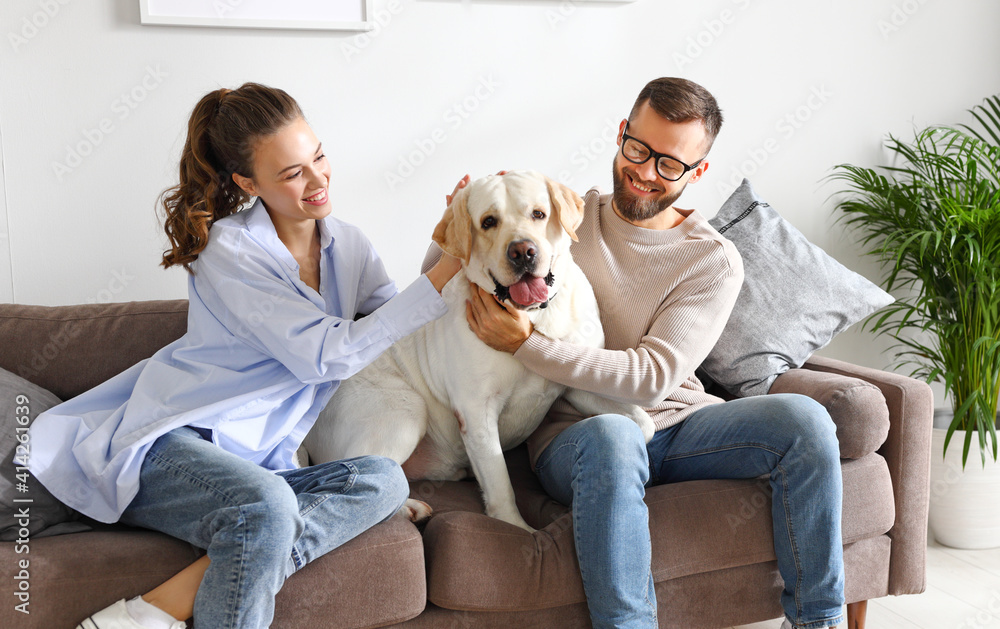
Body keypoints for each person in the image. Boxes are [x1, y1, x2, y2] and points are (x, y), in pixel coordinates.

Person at [26, 83, 462, 629]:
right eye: (292, 173)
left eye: (319, 156)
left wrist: (449, 246)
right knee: (269, 508)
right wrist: (445, 273)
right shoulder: (228, 250)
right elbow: (324, 357)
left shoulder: (349, 245)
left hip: (256, 466)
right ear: (247, 183)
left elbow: (392, 328)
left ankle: (157, 609)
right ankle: (216, 566)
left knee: (382, 480)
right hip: (172, 445)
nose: (318, 179)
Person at [455, 77, 845, 629]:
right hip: (578, 431)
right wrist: (455, 219)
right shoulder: (562, 218)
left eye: (669, 164)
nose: (643, 171)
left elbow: (653, 379)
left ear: (697, 172)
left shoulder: (713, 260)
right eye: (637, 149)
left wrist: (528, 344)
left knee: (806, 419)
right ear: (621, 134)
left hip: (679, 427)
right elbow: (456, 283)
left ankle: (818, 621)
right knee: (615, 433)